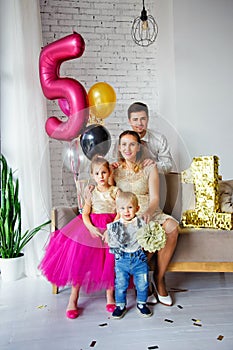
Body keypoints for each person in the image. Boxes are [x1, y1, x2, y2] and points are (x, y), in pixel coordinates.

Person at [39, 155, 120, 319]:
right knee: (80, 256)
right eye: (97, 174)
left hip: (111, 226)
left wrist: (110, 229)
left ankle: (110, 295)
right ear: (92, 175)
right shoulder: (91, 192)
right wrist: (90, 227)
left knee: (111, 259)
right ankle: (73, 297)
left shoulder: (115, 191)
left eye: (104, 172)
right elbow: (86, 213)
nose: (101, 177)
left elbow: (119, 212)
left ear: (109, 172)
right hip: (92, 226)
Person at [111, 130, 179, 306]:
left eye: (132, 144)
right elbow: (103, 188)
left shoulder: (149, 167)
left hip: (148, 210)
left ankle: (159, 278)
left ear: (139, 147)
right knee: (135, 232)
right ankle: (143, 281)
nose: (128, 148)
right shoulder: (115, 170)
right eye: (124, 144)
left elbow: (155, 198)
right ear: (119, 148)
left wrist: (148, 211)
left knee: (172, 227)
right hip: (128, 213)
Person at [107, 191, 152, 319]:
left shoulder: (142, 224)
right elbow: (111, 241)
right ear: (118, 210)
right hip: (122, 259)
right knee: (120, 284)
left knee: (142, 284)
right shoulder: (115, 226)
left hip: (139, 258)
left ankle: (142, 303)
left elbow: (147, 237)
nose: (126, 211)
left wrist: (148, 241)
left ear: (137, 208)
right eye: (122, 208)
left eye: (130, 207)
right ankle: (120, 305)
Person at [127, 101, 173, 174]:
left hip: (156, 179)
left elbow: (168, 166)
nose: (139, 123)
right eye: (135, 119)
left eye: (143, 119)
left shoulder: (159, 139)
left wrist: (154, 165)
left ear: (148, 119)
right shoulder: (123, 140)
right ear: (129, 121)